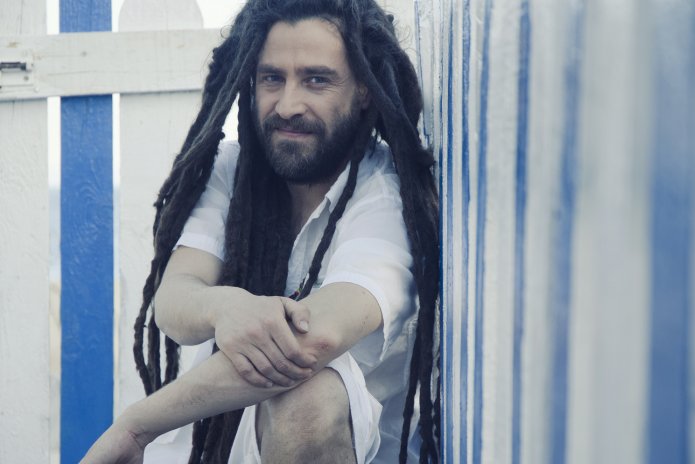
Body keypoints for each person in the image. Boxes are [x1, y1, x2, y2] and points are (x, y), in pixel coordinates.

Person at [82, 1, 439, 463]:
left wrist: (137, 425)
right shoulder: (232, 171)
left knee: (307, 397)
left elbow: (312, 340)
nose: (287, 106)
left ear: (365, 89)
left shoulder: (386, 196)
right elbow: (174, 299)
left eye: (316, 79)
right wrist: (224, 306)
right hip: (222, 447)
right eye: (272, 78)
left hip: (339, 448)